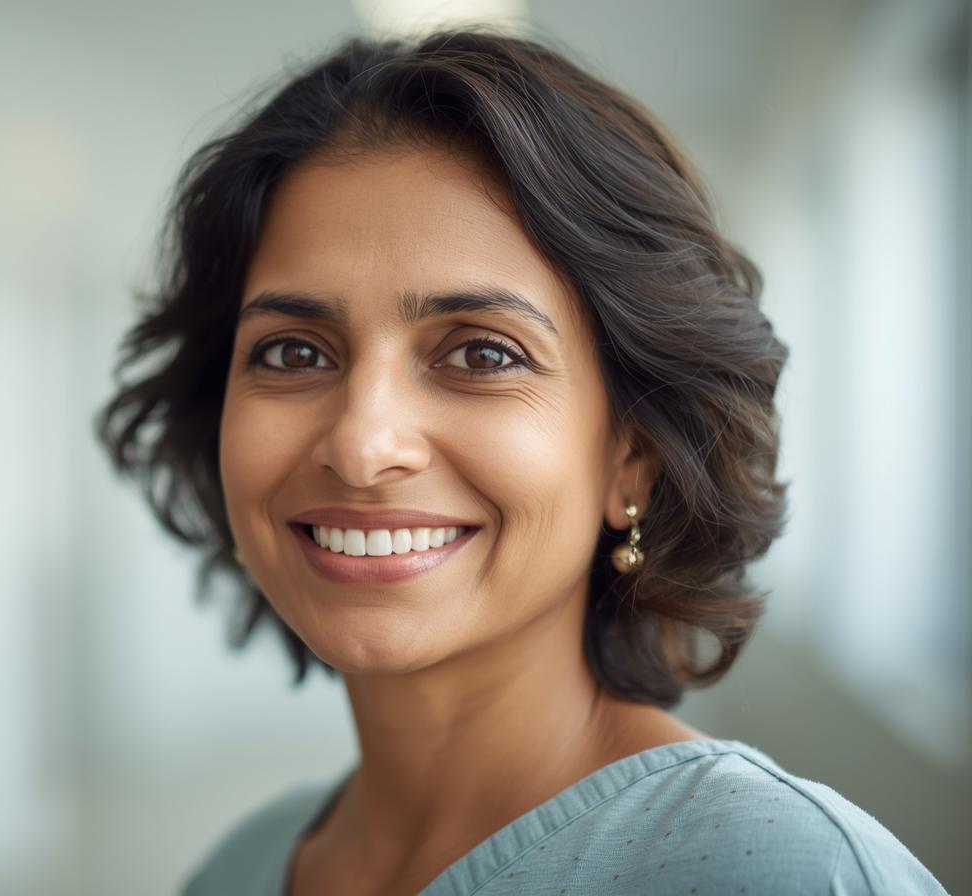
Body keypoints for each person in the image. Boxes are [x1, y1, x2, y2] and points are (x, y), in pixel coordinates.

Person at [96, 27, 948, 896]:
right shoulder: (236, 872)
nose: (361, 443)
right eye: (293, 354)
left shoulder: (780, 870)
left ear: (635, 455)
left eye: (481, 354)